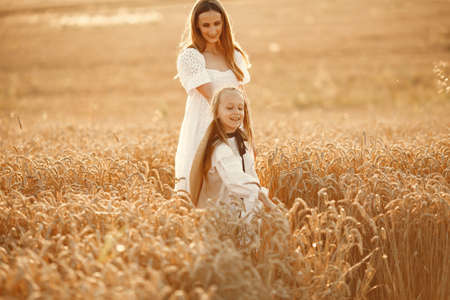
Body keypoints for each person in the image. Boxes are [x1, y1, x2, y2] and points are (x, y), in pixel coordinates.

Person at [175, 0, 251, 193]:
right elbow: (213, 100)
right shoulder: (190, 57)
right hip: (205, 126)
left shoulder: (234, 55)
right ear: (197, 26)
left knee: (239, 183)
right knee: (205, 187)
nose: (212, 30)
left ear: (224, 23)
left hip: (234, 124)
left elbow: (241, 99)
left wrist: (246, 130)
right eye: (206, 25)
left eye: (217, 24)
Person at [190, 87, 272, 222]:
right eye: (229, 108)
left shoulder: (241, 141)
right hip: (220, 217)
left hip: (240, 211)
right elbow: (237, 181)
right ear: (216, 112)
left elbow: (251, 174)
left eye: (240, 108)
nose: (236, 112)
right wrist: (265, 200)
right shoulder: (219, 148)